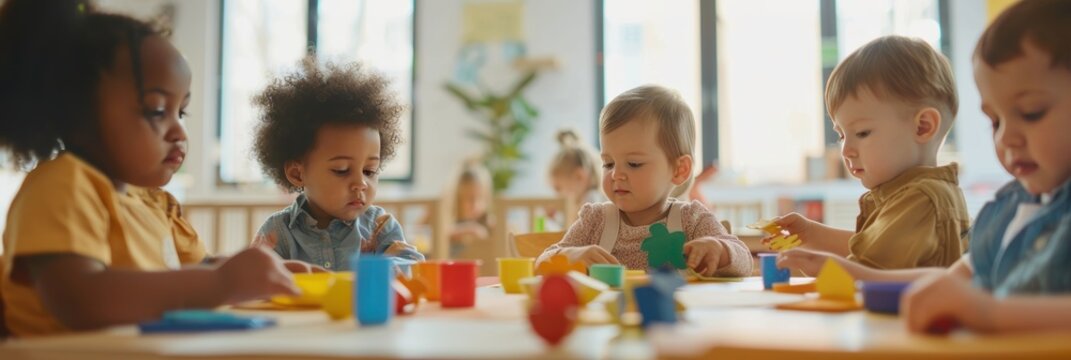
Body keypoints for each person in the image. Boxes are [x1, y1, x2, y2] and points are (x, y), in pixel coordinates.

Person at [0, 0, 299, 337]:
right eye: (157, 110)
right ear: (77, 115)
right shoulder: (62, 185)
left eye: (181, 112)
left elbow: (195, 270)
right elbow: (80, 299)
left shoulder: (156, 205)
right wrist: (219, 283)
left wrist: (266, 271)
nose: (179, 131)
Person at [780, 0, 1071, 333]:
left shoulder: (926, 196)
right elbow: (947, 281)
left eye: (1031, 112)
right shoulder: (1006, 211)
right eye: (994, 121)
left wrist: (989, 313)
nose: (1006, 137)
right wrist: (843, 268)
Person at [771, 35, 970, 270]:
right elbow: (871, 249)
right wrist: (811, 234)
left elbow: (873, 271)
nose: (846, 150)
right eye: (841, 135)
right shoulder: (911, 193)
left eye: (863, 133)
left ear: (922, 126)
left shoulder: (922, 199)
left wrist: (826, 267)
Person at [537, 85, 751, 277]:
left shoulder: (692, 219)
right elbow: (541, 263)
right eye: (609, 164)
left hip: (674, 319)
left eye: (634, 164)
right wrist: (571, 256)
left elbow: (745, 261)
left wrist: (719, 250)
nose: (616, 175)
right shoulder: (595, 221)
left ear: (679, 170)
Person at [250, 58, 424, 270]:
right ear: (297, 174)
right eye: (342, 170)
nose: (361, 183)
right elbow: (255, 281)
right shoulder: (278, 231)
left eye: (369, 171)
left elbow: (412, 266)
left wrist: (381, 271)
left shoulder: (378, 227)